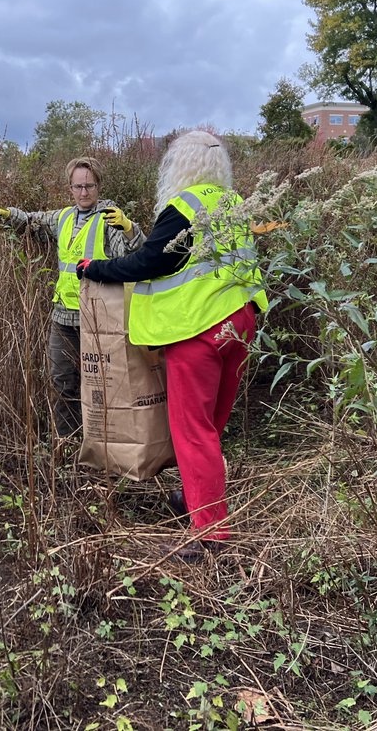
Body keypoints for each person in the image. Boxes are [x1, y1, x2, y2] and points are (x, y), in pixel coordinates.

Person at [77, 130, 267, 561]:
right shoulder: (233, 204)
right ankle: (193, 498)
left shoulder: (184, 207)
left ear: (178, 165)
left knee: (193, 431)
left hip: (197, 330)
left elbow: (151, 260)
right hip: (240, 323)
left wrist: (97, 267)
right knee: (211, 426)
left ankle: (210, 533)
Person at [0, 157, 145, 438]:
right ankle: (68, 441)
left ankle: (108, 444)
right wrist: (6, 215)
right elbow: (33, 221)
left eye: (89, 186)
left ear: (99, 186)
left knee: (105, 384)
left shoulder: (109, 218)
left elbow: (134, 254)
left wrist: (129, 228)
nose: (84, 193)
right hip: (63, 315)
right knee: (62, 380)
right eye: (78, 186)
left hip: (99, 316)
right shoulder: (64, 217)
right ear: (70, 187)